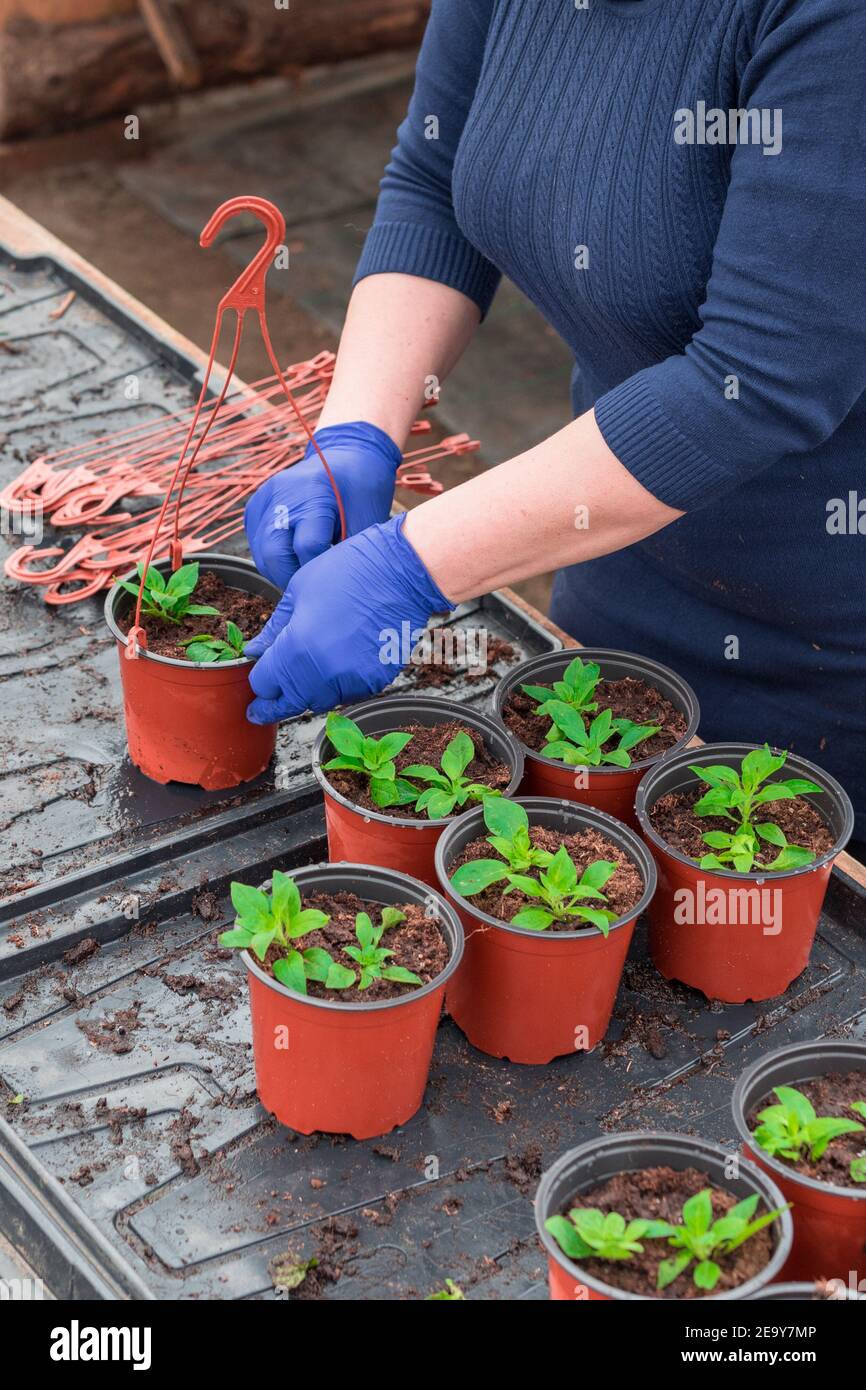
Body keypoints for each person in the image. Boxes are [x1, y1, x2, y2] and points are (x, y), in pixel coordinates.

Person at [243, 0, 866, 840]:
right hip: (614, 565)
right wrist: (357, 430)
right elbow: (433, 181)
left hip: (830, 656)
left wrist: (411, 565)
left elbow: (756, 381)